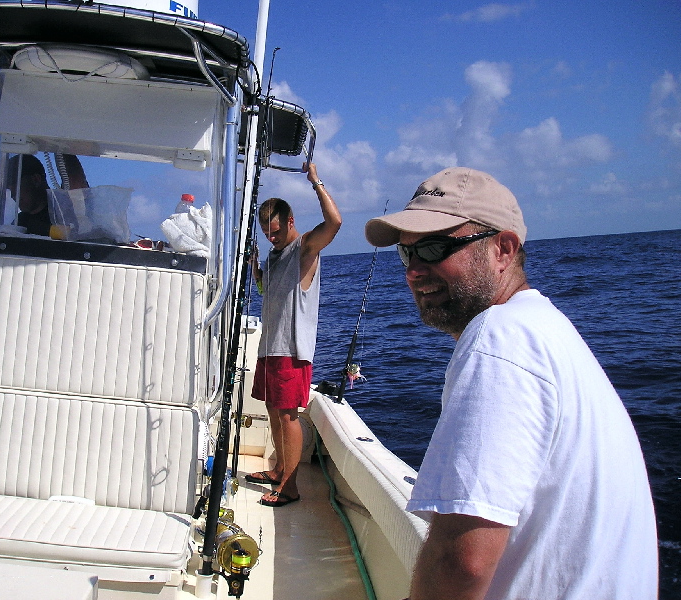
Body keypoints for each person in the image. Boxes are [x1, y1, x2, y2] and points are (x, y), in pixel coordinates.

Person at [364, 167, 658, 599]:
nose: (414, 271)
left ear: (503, 249)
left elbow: (462, 561)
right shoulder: (542, 327)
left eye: (433, 247)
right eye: (408, 255)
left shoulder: (501, 337)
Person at [246, 162, 341, 508]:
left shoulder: (304, 248)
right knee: (273, 411)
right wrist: (257, 270)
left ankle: (290, 486)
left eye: (276, 231)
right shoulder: (273, 256)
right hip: (269, 348)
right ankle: (279, 471)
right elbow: (266, 291)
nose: (272, 238)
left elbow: (335, 223)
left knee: (287, 416)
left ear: (290, 221)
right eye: (266, 233)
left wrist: (316, 181)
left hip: (291, 351)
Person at [6, 153, 88, 236]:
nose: (13, 195)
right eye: (9, 190)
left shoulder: (67, 207)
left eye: (16, 186)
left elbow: (76, 182)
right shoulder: (19, 223)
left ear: (36, 180)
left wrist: (60, 146)